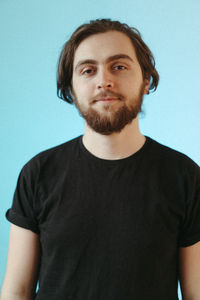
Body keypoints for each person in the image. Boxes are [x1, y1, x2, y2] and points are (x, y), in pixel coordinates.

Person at [1, 18, 200, 300]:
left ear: (145, 80)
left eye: (118, 66)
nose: (103, 81)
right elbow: (16, 292)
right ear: (71, 88)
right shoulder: (38, 173)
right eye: (87, 70)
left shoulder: (185, 177)